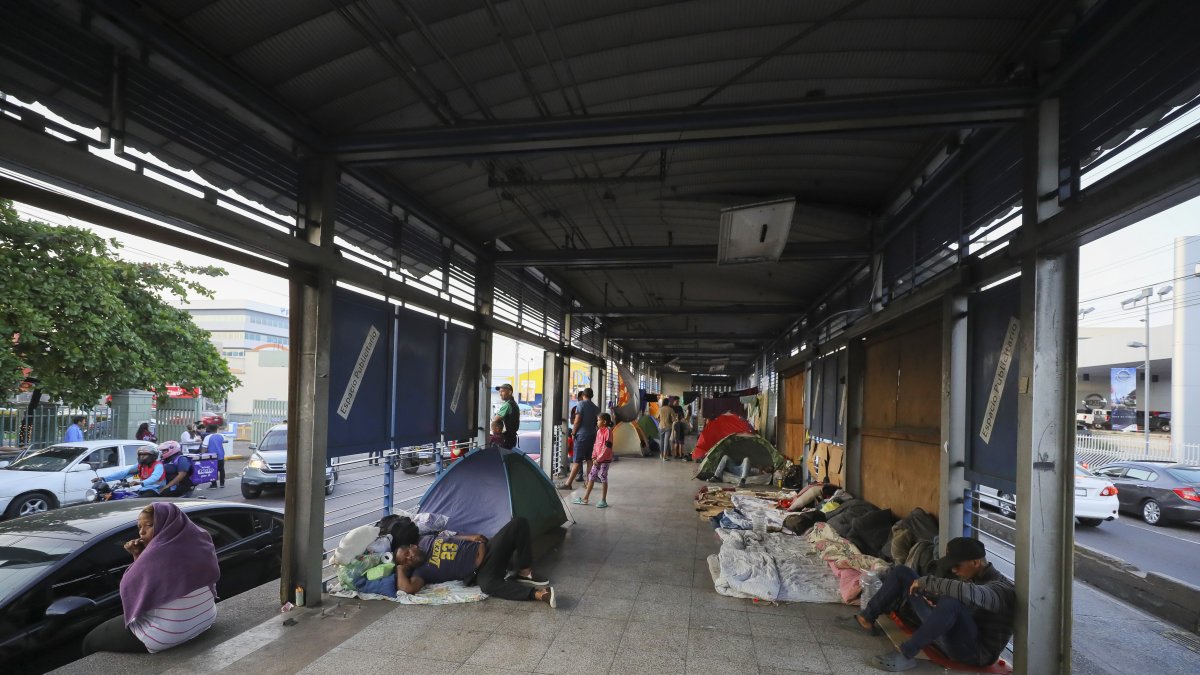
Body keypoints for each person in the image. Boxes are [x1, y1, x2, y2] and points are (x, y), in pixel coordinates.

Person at [837, 537, 1015, 672]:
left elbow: (970, 595)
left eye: (957, 566)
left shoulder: (1000, 589)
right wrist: (929, 594)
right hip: (951, 632)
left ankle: (907, 654)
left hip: (974, 652)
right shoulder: (973, 576)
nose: (954, 570)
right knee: (903, 573)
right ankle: (866, 619)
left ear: (976, 563)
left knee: (950, 602)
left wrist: (930, 583)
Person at [81, 502, 219, 655]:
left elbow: (129, 586)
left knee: (90, 640)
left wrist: (137, 556)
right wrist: (143, 556)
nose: (142, 532)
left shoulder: (155, 555)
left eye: (149, 525)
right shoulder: (201, 539)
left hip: (165, 635)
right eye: (140, 527)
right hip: (207, 618)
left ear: (166, 524)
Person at [392, 516, 557, 607]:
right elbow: (407, 588)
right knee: (488, 585)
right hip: (482, 569)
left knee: (519, 522)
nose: (409, 557)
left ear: (413, 546)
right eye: (405, 560)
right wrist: (400, 569)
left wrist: (471, 537)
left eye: (407, 553)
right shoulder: (421, 573)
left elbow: (448, 537)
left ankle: (523, 570)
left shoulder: (426, 539)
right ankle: (538, 593)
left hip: (487, 547)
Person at [559, 388, 598, 490]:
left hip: (581, 436)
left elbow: (577, 421)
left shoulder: (581, 405)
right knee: (590, 460)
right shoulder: (595, 408)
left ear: (583, 395)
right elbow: (596, 423)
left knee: (577, 460)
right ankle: (588, 482)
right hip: (592, 435)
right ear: (591, 396)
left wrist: (573, 432)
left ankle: (568, 483)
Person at [573, 413, 613, 508]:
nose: (597, 422)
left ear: (604, 421)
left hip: (605, 460)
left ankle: (603, 500)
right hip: (597, 460)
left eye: (598, 420)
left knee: (603, 477)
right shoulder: (599, 431)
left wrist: (599, 459)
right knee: (591, 476)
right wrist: (594, 457)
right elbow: (595, 445)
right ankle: (585, 498)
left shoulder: (608, 432)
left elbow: (607, 448)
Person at [102, 447, 167, 497]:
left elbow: (154, 477)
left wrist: (139, 483)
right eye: (140, 455)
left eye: (145, 455)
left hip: (155, 490)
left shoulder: (158, 465)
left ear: (153, 456)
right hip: (143, 489)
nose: (142, 457)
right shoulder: (140, 465)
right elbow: (124, 473)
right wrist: (104, 479)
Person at [492, 383, 520, 449]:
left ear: (510, 392)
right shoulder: (514, 403)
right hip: (512, 437)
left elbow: (496, 419)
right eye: (500, 392)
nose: (500, 394)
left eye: (502, 391)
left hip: (508, 439)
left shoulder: (507, 405)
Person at [202, 424, 225, 489]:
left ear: (209, 430)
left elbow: (204, 448)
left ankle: (214, 485)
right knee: (222, 470)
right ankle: (222, 484)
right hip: (221, 455)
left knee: (212, 470)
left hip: (212, 456)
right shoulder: (221, 436)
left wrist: (202, 455)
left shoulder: (207, 437)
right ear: (216, 429)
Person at [657, 397, 677, 462]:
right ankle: (665, 457)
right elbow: (674, 419)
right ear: (668, 402)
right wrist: (671, 421)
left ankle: (661, 454)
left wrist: (660, 421)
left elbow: (657, 417)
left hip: (660, 426)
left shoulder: (660, 409)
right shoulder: (670, 409)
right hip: (668, 427)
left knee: (661, 441)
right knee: (666, 442)